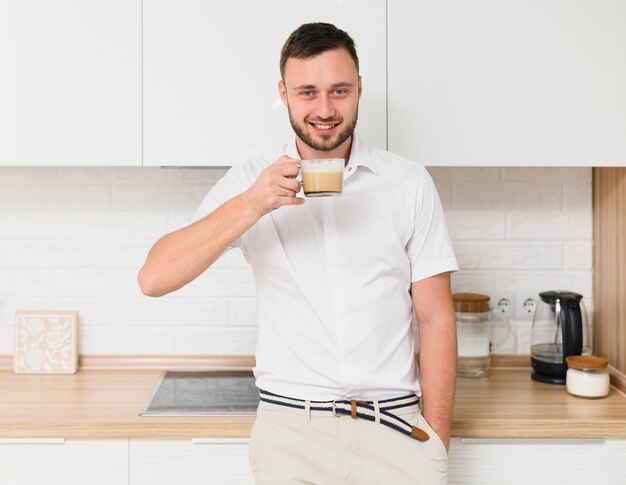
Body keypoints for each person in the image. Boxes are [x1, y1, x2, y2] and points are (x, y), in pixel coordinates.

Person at [138, 22, 458, 485]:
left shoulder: (408, 183)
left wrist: (437, 441)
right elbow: (154, 277)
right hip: (290, 435)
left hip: (397, 431)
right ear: (284, 93)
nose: (324, 109)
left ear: (360, 90)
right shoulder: (253, 179)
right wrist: (254, 202)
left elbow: (436, 319)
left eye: (339, 91)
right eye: (307, 92)